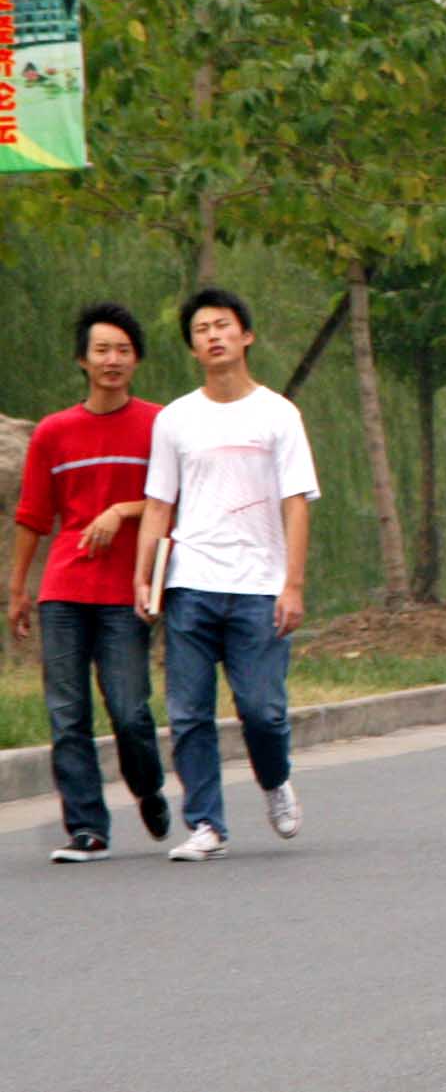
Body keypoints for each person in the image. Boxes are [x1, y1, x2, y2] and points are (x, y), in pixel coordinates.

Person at [133, 288, 320, 862]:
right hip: (191, 583)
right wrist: (144, 578)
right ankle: (206, 824)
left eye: (223, 325)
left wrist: (292, 584)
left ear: (246, 336)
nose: (213, 336)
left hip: (259, 586)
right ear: (193, 348)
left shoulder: (278, 414)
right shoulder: (175, 419)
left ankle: (275, 779)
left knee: (263, 711)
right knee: (189, 714)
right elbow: (159, 504)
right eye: (201, 330)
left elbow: (296, 502)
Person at [9, 303, 170, 862]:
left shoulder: (159, 425)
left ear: (137, 359)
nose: (112, 360)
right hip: (64, 591)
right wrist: (18, 590)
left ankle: (147, 787)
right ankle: (86, 828)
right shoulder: (54, 432)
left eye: (123, 350)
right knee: (67, 714)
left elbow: (174, 499)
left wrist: (123, 510)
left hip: (127, 590)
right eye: (102, 350)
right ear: (83, 359)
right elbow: (33, 517)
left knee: (129, 710)